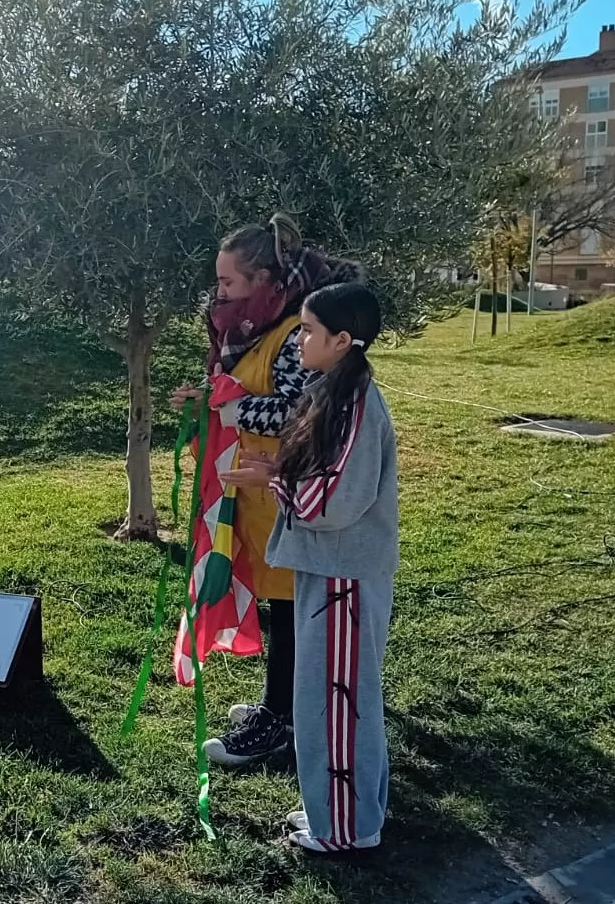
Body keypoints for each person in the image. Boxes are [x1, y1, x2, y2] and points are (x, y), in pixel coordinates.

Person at [171, 215, 358, 771]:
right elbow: (250, 393)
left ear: (264, 283)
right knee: (283, 609)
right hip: (261, 497)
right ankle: (281, 705)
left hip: (286, 496)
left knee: (290, 609)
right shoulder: (262, 334)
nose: (219, 295)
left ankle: (282, 720)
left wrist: (227, 407)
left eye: (229, 284)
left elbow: (300, 411)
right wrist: (208, 397)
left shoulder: (289, 338)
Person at [222, 282, 399, 853]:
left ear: (344, 340)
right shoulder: (333, 392)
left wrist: (272, 480)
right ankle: (335, 813)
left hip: (344, 572)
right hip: (328, 568)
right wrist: (274, 466)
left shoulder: (353, 403)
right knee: (324, 698)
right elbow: (320, 474)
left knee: (340, 700)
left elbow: (335, 499)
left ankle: (348, 830)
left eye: (308, 331)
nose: (298, 340)